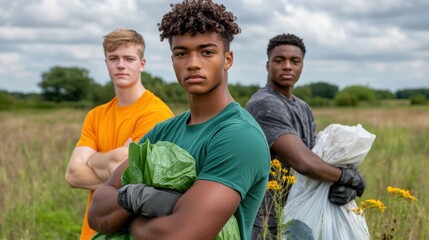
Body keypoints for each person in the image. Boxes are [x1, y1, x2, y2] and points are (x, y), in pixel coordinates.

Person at [87, 1, 271, 239]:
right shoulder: (163, 131)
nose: (193, 63)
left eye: (207, 52)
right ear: (173, 59)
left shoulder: (239, 136)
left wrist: (129, 223)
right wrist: (138, 196)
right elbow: (97, 212)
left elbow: (179, 234)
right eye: (182, 53)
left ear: (227, 59)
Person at [245, 33, 366, 239]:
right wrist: (349, 178)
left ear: (302, 66)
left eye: (295, 61)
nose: (287, 66)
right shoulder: (265, 104)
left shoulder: (302, 107)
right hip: (263, 220)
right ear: (268, 66)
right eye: (279, 60)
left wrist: (340, 185)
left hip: (294, 214)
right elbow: (303, 162)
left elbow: (316, 157)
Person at [65, 28, 174, 240]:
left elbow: (135, 177)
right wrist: (114, 159)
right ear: (106, 63)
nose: (121, 65)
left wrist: (92, 159)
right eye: (113, 58)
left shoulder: (156, 114)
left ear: (142, 64)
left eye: (129, 58)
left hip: (128, 232)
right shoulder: (96, 115)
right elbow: (72, 174)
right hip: (92, 231)